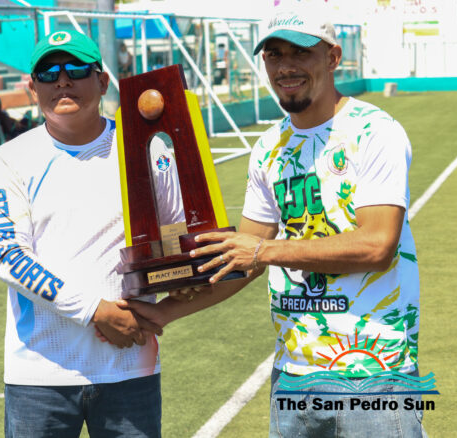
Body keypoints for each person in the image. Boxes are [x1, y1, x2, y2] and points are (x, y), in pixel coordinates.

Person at [115, 7, 424, 438]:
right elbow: (241, 261)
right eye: (274, 55)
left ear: (333, 58)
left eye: (300, 52)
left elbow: (377, 246)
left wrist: (263, 250)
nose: (285, 67)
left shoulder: (374, 131)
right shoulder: (269, 146)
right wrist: (163, 311)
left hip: (374, 371)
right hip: (293, 373)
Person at [0, 29, 185, 437]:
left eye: (76, 69)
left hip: (130, 364)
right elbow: (12, 259)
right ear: (33, 88)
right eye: (48, 73)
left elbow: (176, 238)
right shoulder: (8, 160)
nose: (62, 81)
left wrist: (171, 296)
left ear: (103, 81)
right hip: (40, 374)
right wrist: (97, 311)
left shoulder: (147, 148)